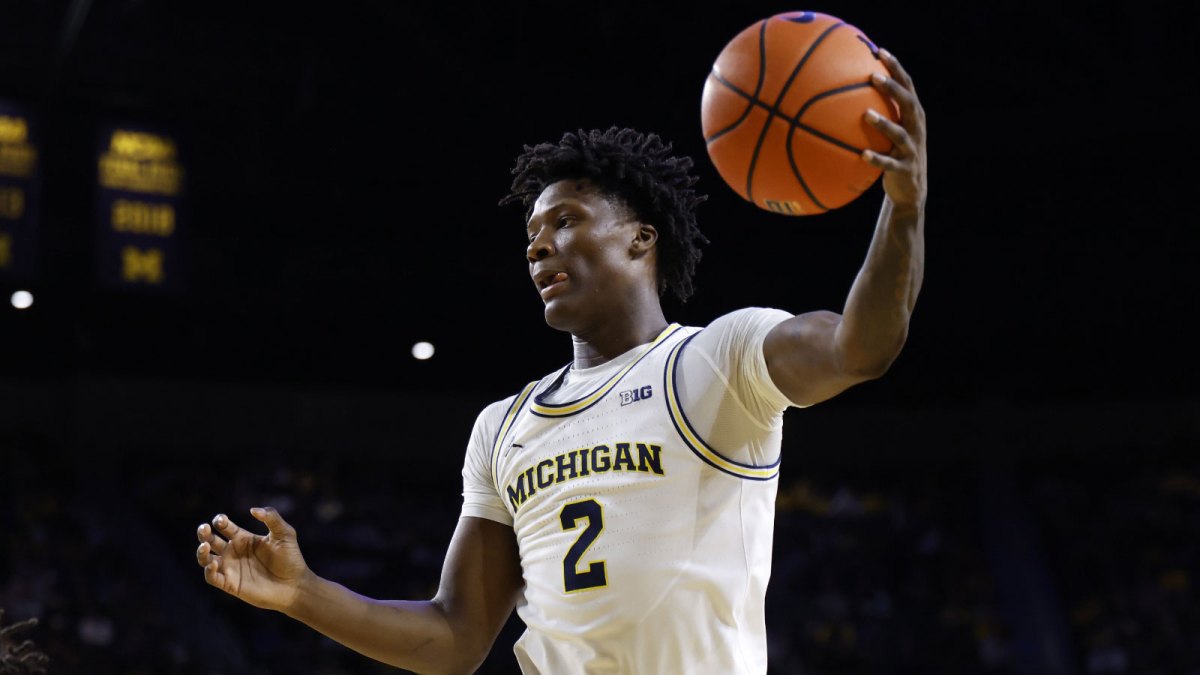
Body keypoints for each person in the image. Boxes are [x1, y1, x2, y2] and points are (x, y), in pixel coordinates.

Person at [195, 49, 926, 674]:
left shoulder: (718, 358)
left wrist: (903, 210)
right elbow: (455, 636)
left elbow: (861, 347)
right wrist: (302, 593)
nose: (537, 246)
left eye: (565, 221)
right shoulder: (503, 426)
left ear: (642, 240)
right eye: (531, 236)